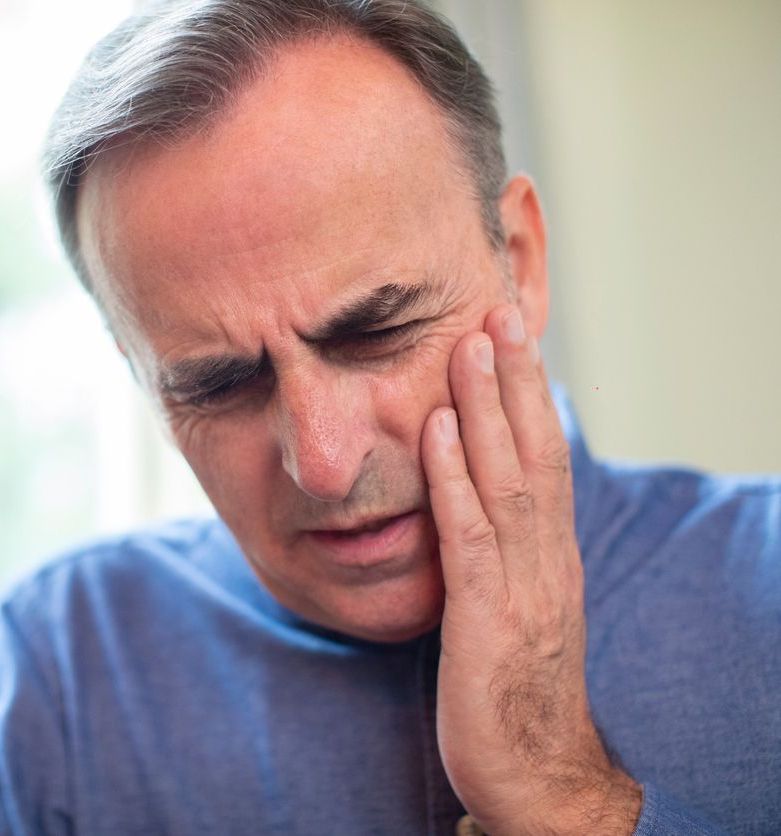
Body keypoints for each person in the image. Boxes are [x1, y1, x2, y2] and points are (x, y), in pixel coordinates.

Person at [1, 1, 778, 833]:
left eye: (378, 332)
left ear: (517, 262)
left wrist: (561, 796)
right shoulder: (55, 679)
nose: (326, 464)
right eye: (218, 382)